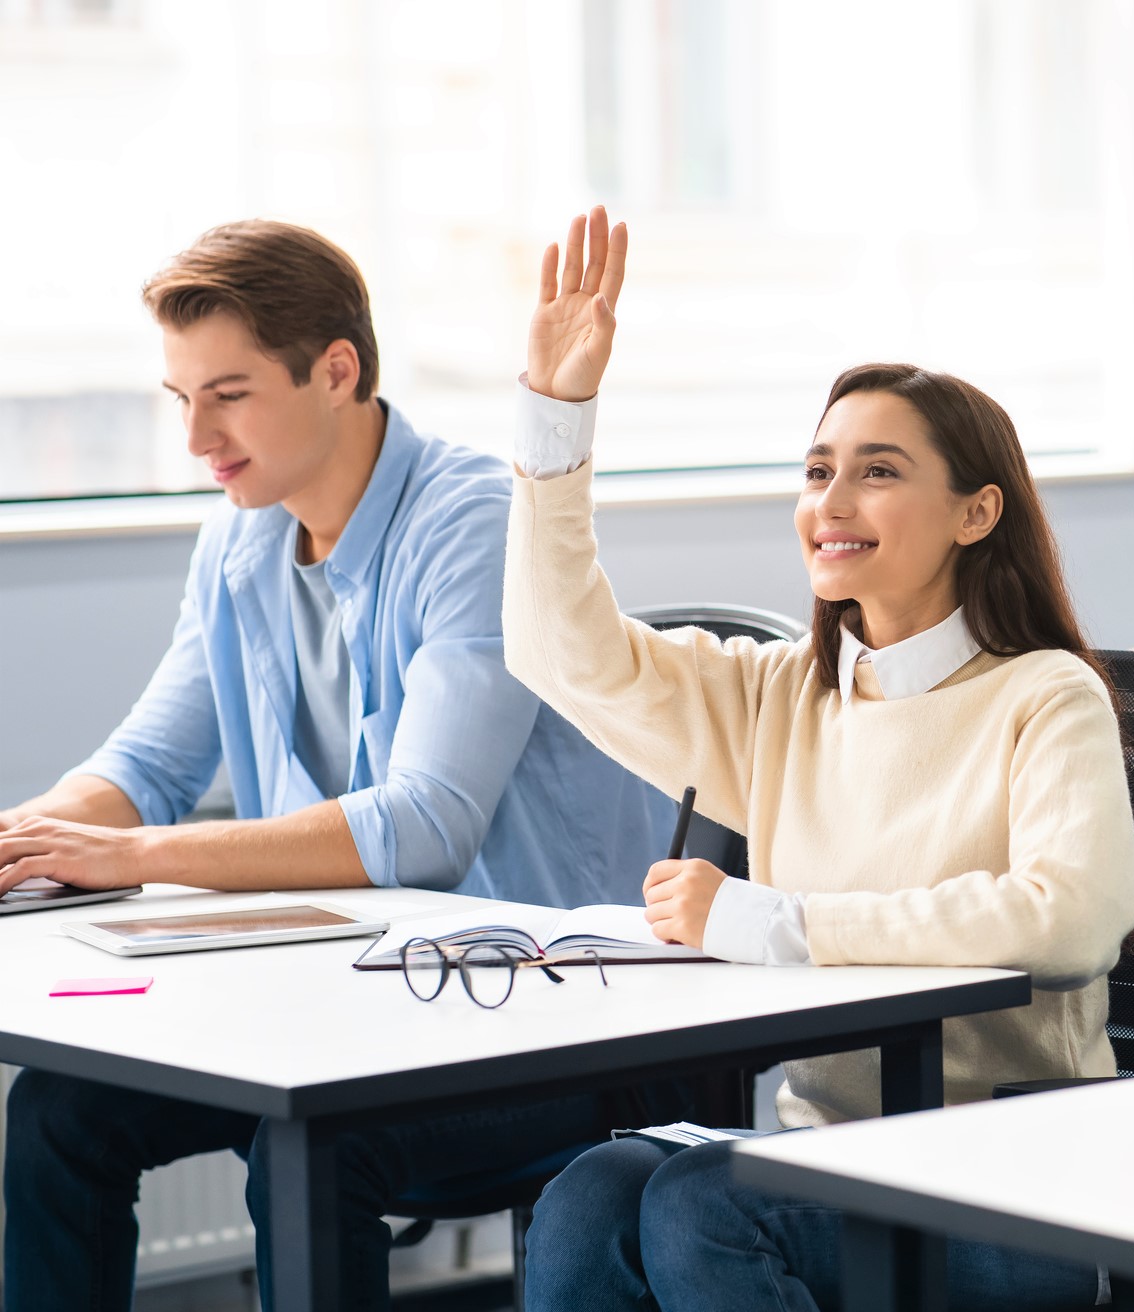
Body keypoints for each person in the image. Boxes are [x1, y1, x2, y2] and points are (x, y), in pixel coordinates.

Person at [0, 221, 689, 1312]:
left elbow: (426, 824)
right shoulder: (242, 536)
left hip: (554, 1019)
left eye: (226, 394)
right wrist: (26, 841)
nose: (197, 438)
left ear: (337, 370)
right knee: (58, 1112)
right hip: (351, 1008)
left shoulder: (473, 524)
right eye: (180, 398)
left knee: (311, 1149)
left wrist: (124, 851)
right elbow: (147, 763)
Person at [506, 206, 1134, 1310]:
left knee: (701, 1203)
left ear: (975, 511)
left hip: (1025, 1190)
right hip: (831, 1158)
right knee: (592, 1192)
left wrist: (778, 923)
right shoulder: (782, 695)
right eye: (817, 470)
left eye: (878, 472)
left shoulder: (1045, 694)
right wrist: (556, 419)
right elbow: (558, 653)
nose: (831, 503)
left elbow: (1073, 916)